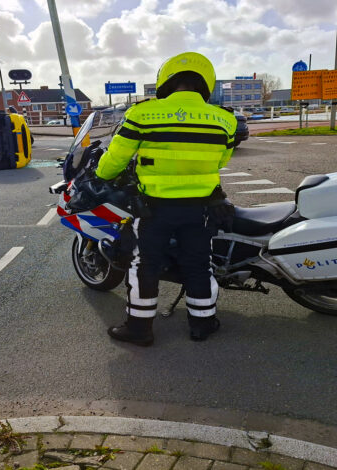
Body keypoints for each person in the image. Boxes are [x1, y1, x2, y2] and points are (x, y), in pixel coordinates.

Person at [95, 52, 237, 346]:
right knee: (199, 264)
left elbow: (115, 160)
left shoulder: (143, 114)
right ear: (206, 81)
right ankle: (202, 325)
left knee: (144, 264)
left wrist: (102, 174)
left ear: (167, 80)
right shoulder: (225, 120)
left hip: (153, 210)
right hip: (200, 209)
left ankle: (139, 330)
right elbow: (221, 161)